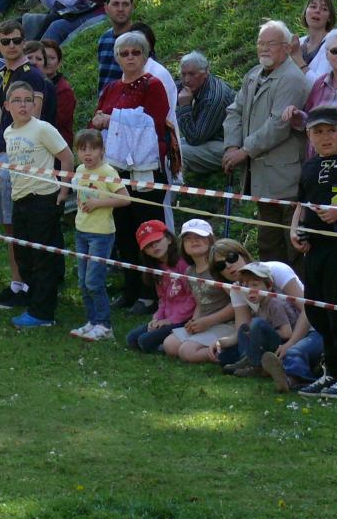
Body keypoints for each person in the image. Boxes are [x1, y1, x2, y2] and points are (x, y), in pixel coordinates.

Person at [91, 29, 176, 313]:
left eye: (135, 52)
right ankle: (130, 288)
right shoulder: (112, 88)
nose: (130, 58)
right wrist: (105, 120)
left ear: (145, 55)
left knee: (149, 231)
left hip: (146, 170)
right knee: (124, 232)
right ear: (117, 57)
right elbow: (96, 118)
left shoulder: (153, 85)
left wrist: (112, 118)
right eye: (124, 53)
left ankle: (152, 293)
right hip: (118, 169)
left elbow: (150, 121)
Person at [0, 21, 55, 309]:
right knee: (7, 224)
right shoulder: (5, 74)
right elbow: (2, 114)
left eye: (16, 40)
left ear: (24, 42)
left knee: (19, 225)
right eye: (5, 41)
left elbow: (33, 116)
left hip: (19, 156)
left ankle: (27, 285)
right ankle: (17, 282)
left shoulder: (32, 76)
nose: (11, 45)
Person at [223, 20, 308, 270]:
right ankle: (275, 300)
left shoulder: (292, 79)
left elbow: (278, 126)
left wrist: (244, 151)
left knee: (293, 246)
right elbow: (234, 110)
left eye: (271, 44)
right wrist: (230, 146)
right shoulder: (253, 74)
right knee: (269, 244)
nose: (264, 49)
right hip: (262, 178)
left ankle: (300, 302)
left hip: (286, 178)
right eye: (260, 43)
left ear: (285, 47)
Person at [289, 106, 337, 396]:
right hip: (315, 250)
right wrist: (294, 230)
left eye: (331, 131)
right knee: (316, 309)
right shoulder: (310, 166)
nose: (325, 137)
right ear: (309, 135)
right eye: (318, 131)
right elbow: (301, 203)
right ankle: (332, 372)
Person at [3, 81, 73, 328]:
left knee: (43, 256)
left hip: (43, 199)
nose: (23, 105)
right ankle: (36, 299)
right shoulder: (8, 132)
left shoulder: (43, 128)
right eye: (17, 100)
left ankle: (43, 313)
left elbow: (67, 158)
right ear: (7, 105)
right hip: (19, 199)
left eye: (27, 100)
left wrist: (64, 191)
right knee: (24, 255)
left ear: (34, 104)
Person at [69, 128, 131, 341]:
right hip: (81, 231)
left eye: (93, 149)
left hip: (101, 234)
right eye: (83, 149)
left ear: (102, 151)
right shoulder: (78, 170)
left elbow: (125, 199)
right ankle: (92, 321)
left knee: (94, 281)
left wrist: (98, 203)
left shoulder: (108, 172)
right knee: (83, 282)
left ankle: (105, 326)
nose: (88, 153)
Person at [209, 262, 301, 379]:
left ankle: (253, 365)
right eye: (246, 286)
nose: (250, 290)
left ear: (269, 286)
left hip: (281, 346)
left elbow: (287, 333)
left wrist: (260, 332)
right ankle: (245, 359)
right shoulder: (260, 304)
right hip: (264, 345)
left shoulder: (275, 304)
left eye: (255, 285)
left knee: (257, 323)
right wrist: (220, 343)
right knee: (239, 335)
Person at [126, 220, 199, 354]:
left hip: (185, 318)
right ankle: (164, 340)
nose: (154, 247)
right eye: (148, 246)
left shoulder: (183, 263)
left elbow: (193, 298)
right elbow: (163, 298)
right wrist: (157, 318)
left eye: (157, 241)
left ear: (169, 239)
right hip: (168, 317)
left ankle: (170, 343)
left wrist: (171, 320)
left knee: (144, 341)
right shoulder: (157, 269)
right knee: (131, 338)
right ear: (145, 252)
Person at [163, 237, 238, 364]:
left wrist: (208, 321)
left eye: (200, 237)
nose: (194, 241)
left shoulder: (218, 268)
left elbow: (237, 303)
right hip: (204, 322)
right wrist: (194, 321)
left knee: (186, 351)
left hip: (226, 323)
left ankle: (234, 353)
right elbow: (200, 301)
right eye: (189, 238)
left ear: (210, 240)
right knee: (169, 345)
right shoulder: (189, 271)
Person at [175, 51, 235, 176]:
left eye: (192, 74)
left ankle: (178, 192)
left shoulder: (214, 98)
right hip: (211, 138)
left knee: (178, 153)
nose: (186, 80)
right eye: (183, 74)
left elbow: (195, 138)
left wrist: (184, 106)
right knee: (171, 144)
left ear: (205, 73)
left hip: (230, 146)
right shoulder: (196, 84)